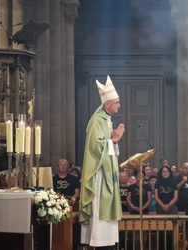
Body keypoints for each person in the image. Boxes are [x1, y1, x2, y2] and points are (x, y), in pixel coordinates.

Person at [79, 75, 125, 249]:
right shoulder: (97, 120)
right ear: (107, 104)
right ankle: (99, 241)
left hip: (108, 172)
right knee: (99, 206)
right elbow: (95, 146)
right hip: (99, 174)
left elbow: (109, 146)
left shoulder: (106, 120)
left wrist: (115, 140)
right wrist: (113, 140)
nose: (119, 105)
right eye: (117, 102)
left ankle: (107, 241)